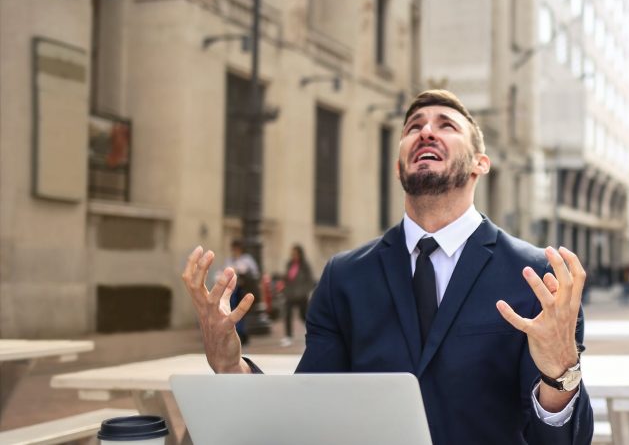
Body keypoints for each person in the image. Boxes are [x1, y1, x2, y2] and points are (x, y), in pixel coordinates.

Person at [182, 90, 594, 445]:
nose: (426, 131)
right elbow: (307, 412)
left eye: (446, 125)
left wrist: (560, 371)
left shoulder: (540, 277)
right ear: (398, 167)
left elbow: (564, 441)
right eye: (414, 126)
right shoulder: (344, 277)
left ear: (479, 164)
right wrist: (229, 366)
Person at [223, 238, 260, 344]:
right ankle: (234, 333)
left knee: (241, 310)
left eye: (236, 248)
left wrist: (242, 272)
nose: (235, 251)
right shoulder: (229, 260)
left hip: (243, 289)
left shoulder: (247, 260)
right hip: (232, 289)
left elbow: (254, 273)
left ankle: (242, 333)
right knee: (231, 310)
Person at [280, 243, 316, 347]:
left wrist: (304, 292)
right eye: (292, 253)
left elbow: (310, 280)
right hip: (289, 295)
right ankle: (288, 336)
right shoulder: (289, 264)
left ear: (300, 254)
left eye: (295, 253)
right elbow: (286, 278)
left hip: (301, 296)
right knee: (287, 315)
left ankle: (311, 333)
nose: (293, 255)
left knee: (303, 316)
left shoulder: (305, 265)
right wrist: (284, 290)